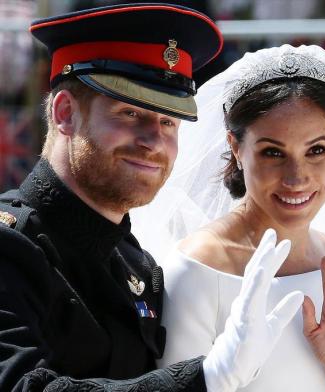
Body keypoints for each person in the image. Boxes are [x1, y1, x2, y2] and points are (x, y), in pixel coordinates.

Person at [0, 4, 305, 391]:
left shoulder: (136, 263)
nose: (153, 141)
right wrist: (207, 377)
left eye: (168, 122)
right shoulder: (11, 247)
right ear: (65, 113)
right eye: (129, 114)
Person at [131, 44, 325, 391]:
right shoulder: (198, 268)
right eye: (272, 152)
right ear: (236, 148)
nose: (296, 176)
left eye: (317, 150)